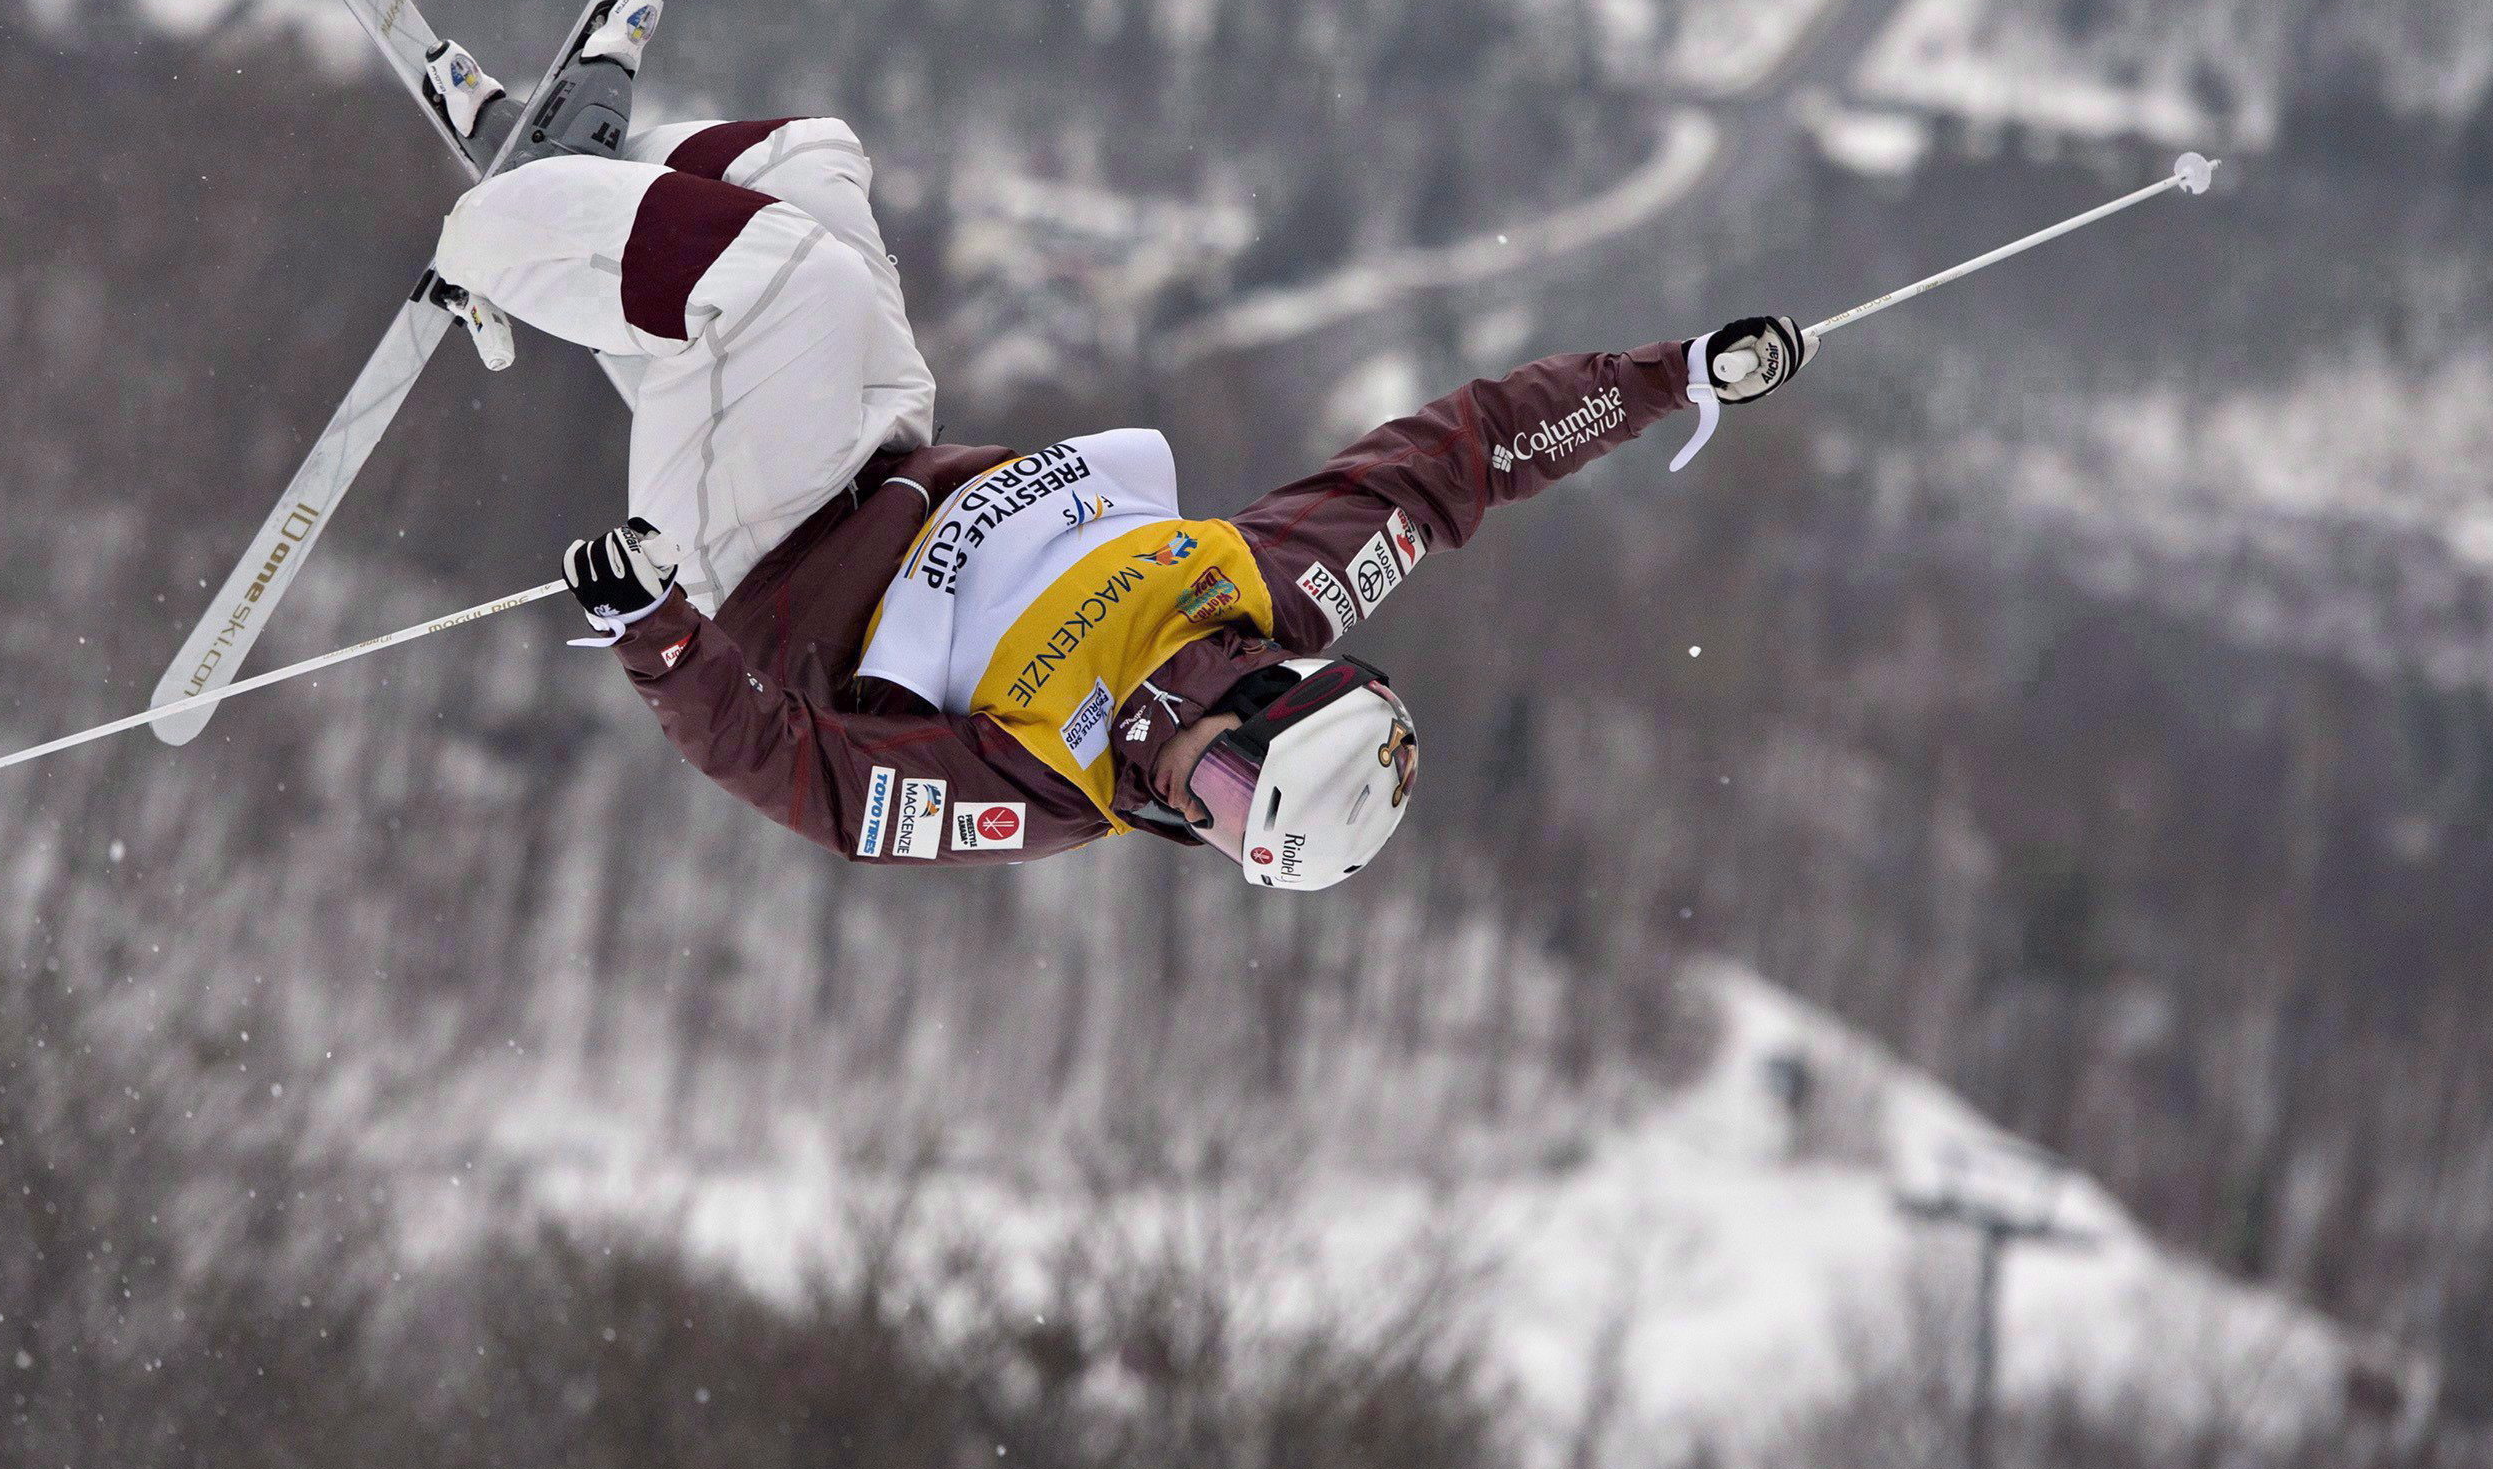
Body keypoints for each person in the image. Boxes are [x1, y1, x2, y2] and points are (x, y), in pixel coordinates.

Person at [426, 111, 1807, 887]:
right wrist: (1669, 376)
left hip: (755, 551)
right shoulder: (1282, 587)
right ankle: (598, 182)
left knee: (799, 279)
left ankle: (494, 232)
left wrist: (659, 634)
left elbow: (805, 778)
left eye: (1209, 827)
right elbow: (1464, 458)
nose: (1178, 796)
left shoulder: (1049, 782)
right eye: (1219, 778)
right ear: (1277, 687)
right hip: (882, 447)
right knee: (803, 162)